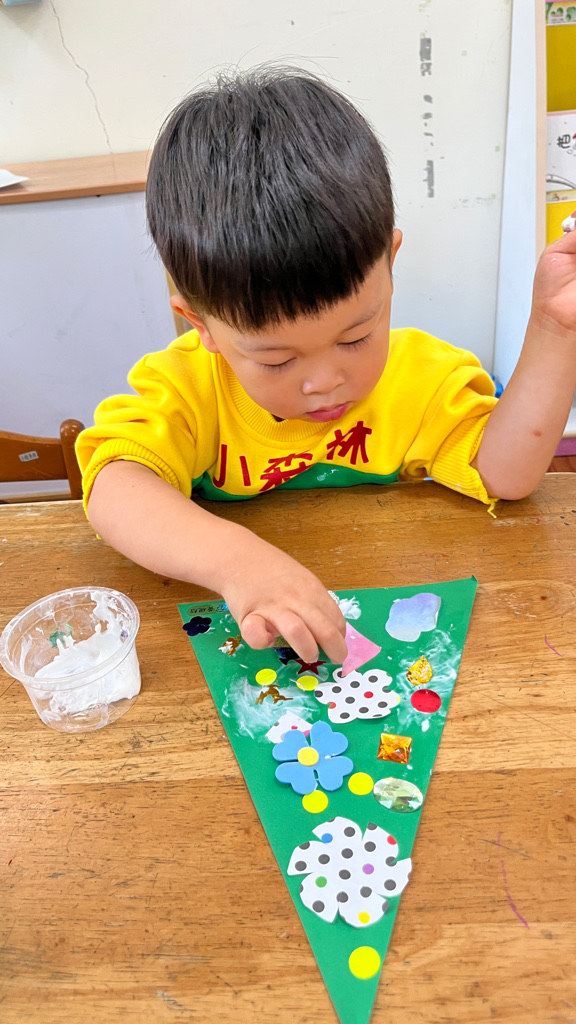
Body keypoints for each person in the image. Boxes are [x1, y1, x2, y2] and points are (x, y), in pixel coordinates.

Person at [77, 67, 576, 666]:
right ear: (199, 323)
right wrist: (240, 563)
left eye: (356, 337)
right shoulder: (187, 388)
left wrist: (556, 328)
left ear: (390, 264)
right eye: (277, 359)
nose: (324, 382)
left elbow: (506, 478)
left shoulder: (420, 376)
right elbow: (113, 489)